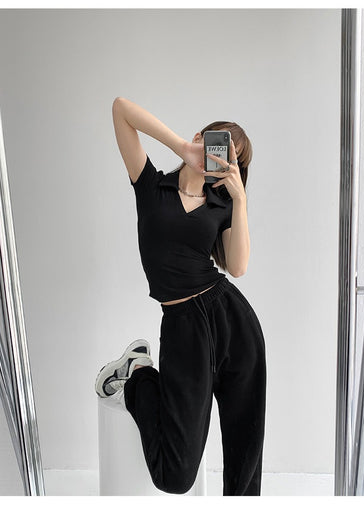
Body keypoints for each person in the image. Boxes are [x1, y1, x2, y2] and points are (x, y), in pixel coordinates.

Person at [95, 97, 267, 496]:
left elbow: (238, 267)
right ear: (201, 138)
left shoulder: (222, 206)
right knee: (175, 475)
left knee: (245, 452)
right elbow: (121, 109)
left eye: (233, 160)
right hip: (184, 328)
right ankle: (139, 375)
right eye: (220, 148)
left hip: (233, 322)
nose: (222, 160)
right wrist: (182, 148)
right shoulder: (151, 185)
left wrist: (240, 200)